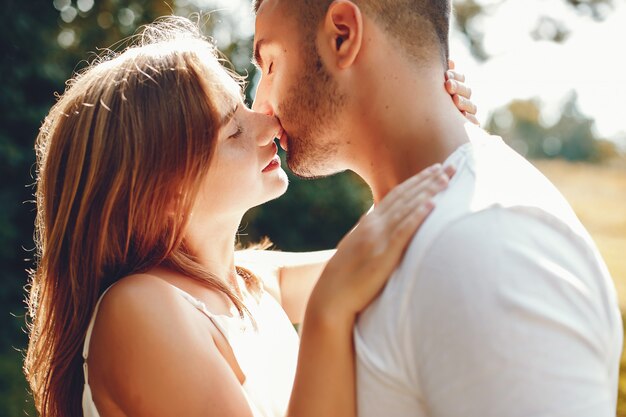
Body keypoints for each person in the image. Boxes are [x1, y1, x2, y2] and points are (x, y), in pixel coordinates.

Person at [23, 17, 477, 417]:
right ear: (163, 189)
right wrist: (327, 315)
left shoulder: (248, 282)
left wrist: (430, 123)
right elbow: (348, 276)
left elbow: (381, 248)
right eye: (234, 129)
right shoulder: (139, 309)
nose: (270, 124)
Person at [251, 1, 623, 416]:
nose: (259, 105)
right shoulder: (397, 228)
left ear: (343, 35)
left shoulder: (487, 246)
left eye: (269, 65)